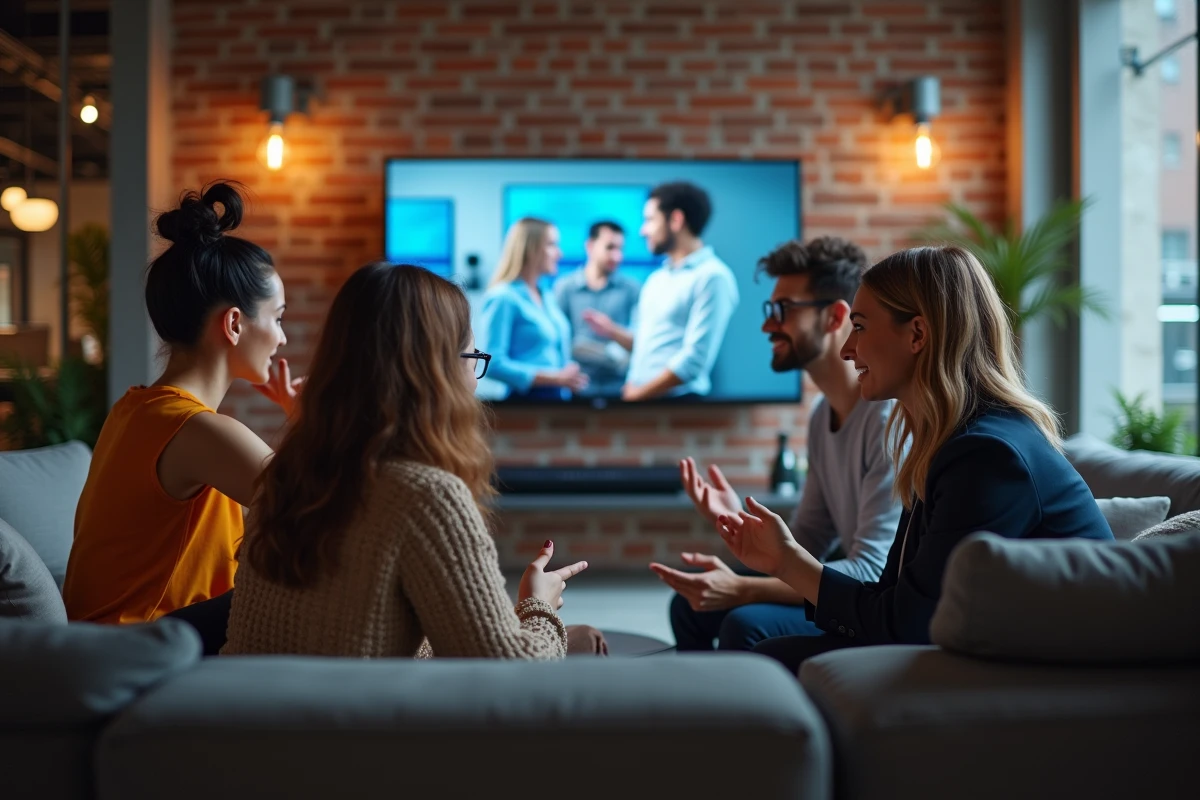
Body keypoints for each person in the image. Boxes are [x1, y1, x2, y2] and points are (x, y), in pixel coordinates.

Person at [714, 245, 1115, 674]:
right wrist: (781, 559)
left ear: (917, 335)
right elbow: (894, 599)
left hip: (1048, 672)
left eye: (861, 327)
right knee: (769, 656)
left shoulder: (986, 456)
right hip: (975, 643)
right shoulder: (946, 443)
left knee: (769, 657)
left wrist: (787, 562)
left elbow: (908, 626)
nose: (848, 349)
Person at [222, 263, 592, 659]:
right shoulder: (425, 495)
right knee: (585, 644)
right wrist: (539, 604)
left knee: (583, 639)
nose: (476, 379)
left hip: (252, 712)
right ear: (435, 371)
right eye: (472, 356)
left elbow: (367, 633)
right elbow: (506, 672)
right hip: (351, 718)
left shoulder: (285, 474)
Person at [63, 182, 300, 632]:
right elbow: (330, 511)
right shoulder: (197, 429)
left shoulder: (137, 408)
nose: (283, 337)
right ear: (234, 324)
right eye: (278, 317)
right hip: (137, 646)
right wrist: (309, 421)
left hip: (111, 637)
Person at [649, 237, 902, 652]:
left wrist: (745, 589)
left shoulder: (885, 419)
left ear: (834, 316)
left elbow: (871, 571)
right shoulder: (823, 416)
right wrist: (738, 520)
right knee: (688, 605)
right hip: (848, 584)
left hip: (872, 604)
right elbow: (807, 542)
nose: (768, 325)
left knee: (743, 622)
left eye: (782, 310)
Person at [588, 182, 738, 401]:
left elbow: (694, 360)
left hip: (679, 406)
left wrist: (638, 395)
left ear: (676, 220)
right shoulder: (656, 279)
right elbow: (644, 343)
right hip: (642, 401)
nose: (642, 231)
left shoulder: (712, 277)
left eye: (650, 220)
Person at [477, 218, 586, 400]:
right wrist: (555, 378)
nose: (559, 254)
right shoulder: (503, 297)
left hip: (557, 402)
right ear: (530, 248)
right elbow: (492, 364)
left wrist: (568, 376)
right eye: (552, 245)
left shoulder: (546, 296)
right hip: (526, 406)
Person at [553, 220, 640, 397]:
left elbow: (641, 343)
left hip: (621, 390)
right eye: (610, 248)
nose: (617, 256)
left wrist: (611, 330)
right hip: (577, 391)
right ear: (590, 246)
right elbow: (558, 341)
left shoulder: (631, 289)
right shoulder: (565, 288)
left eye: (620, 249)